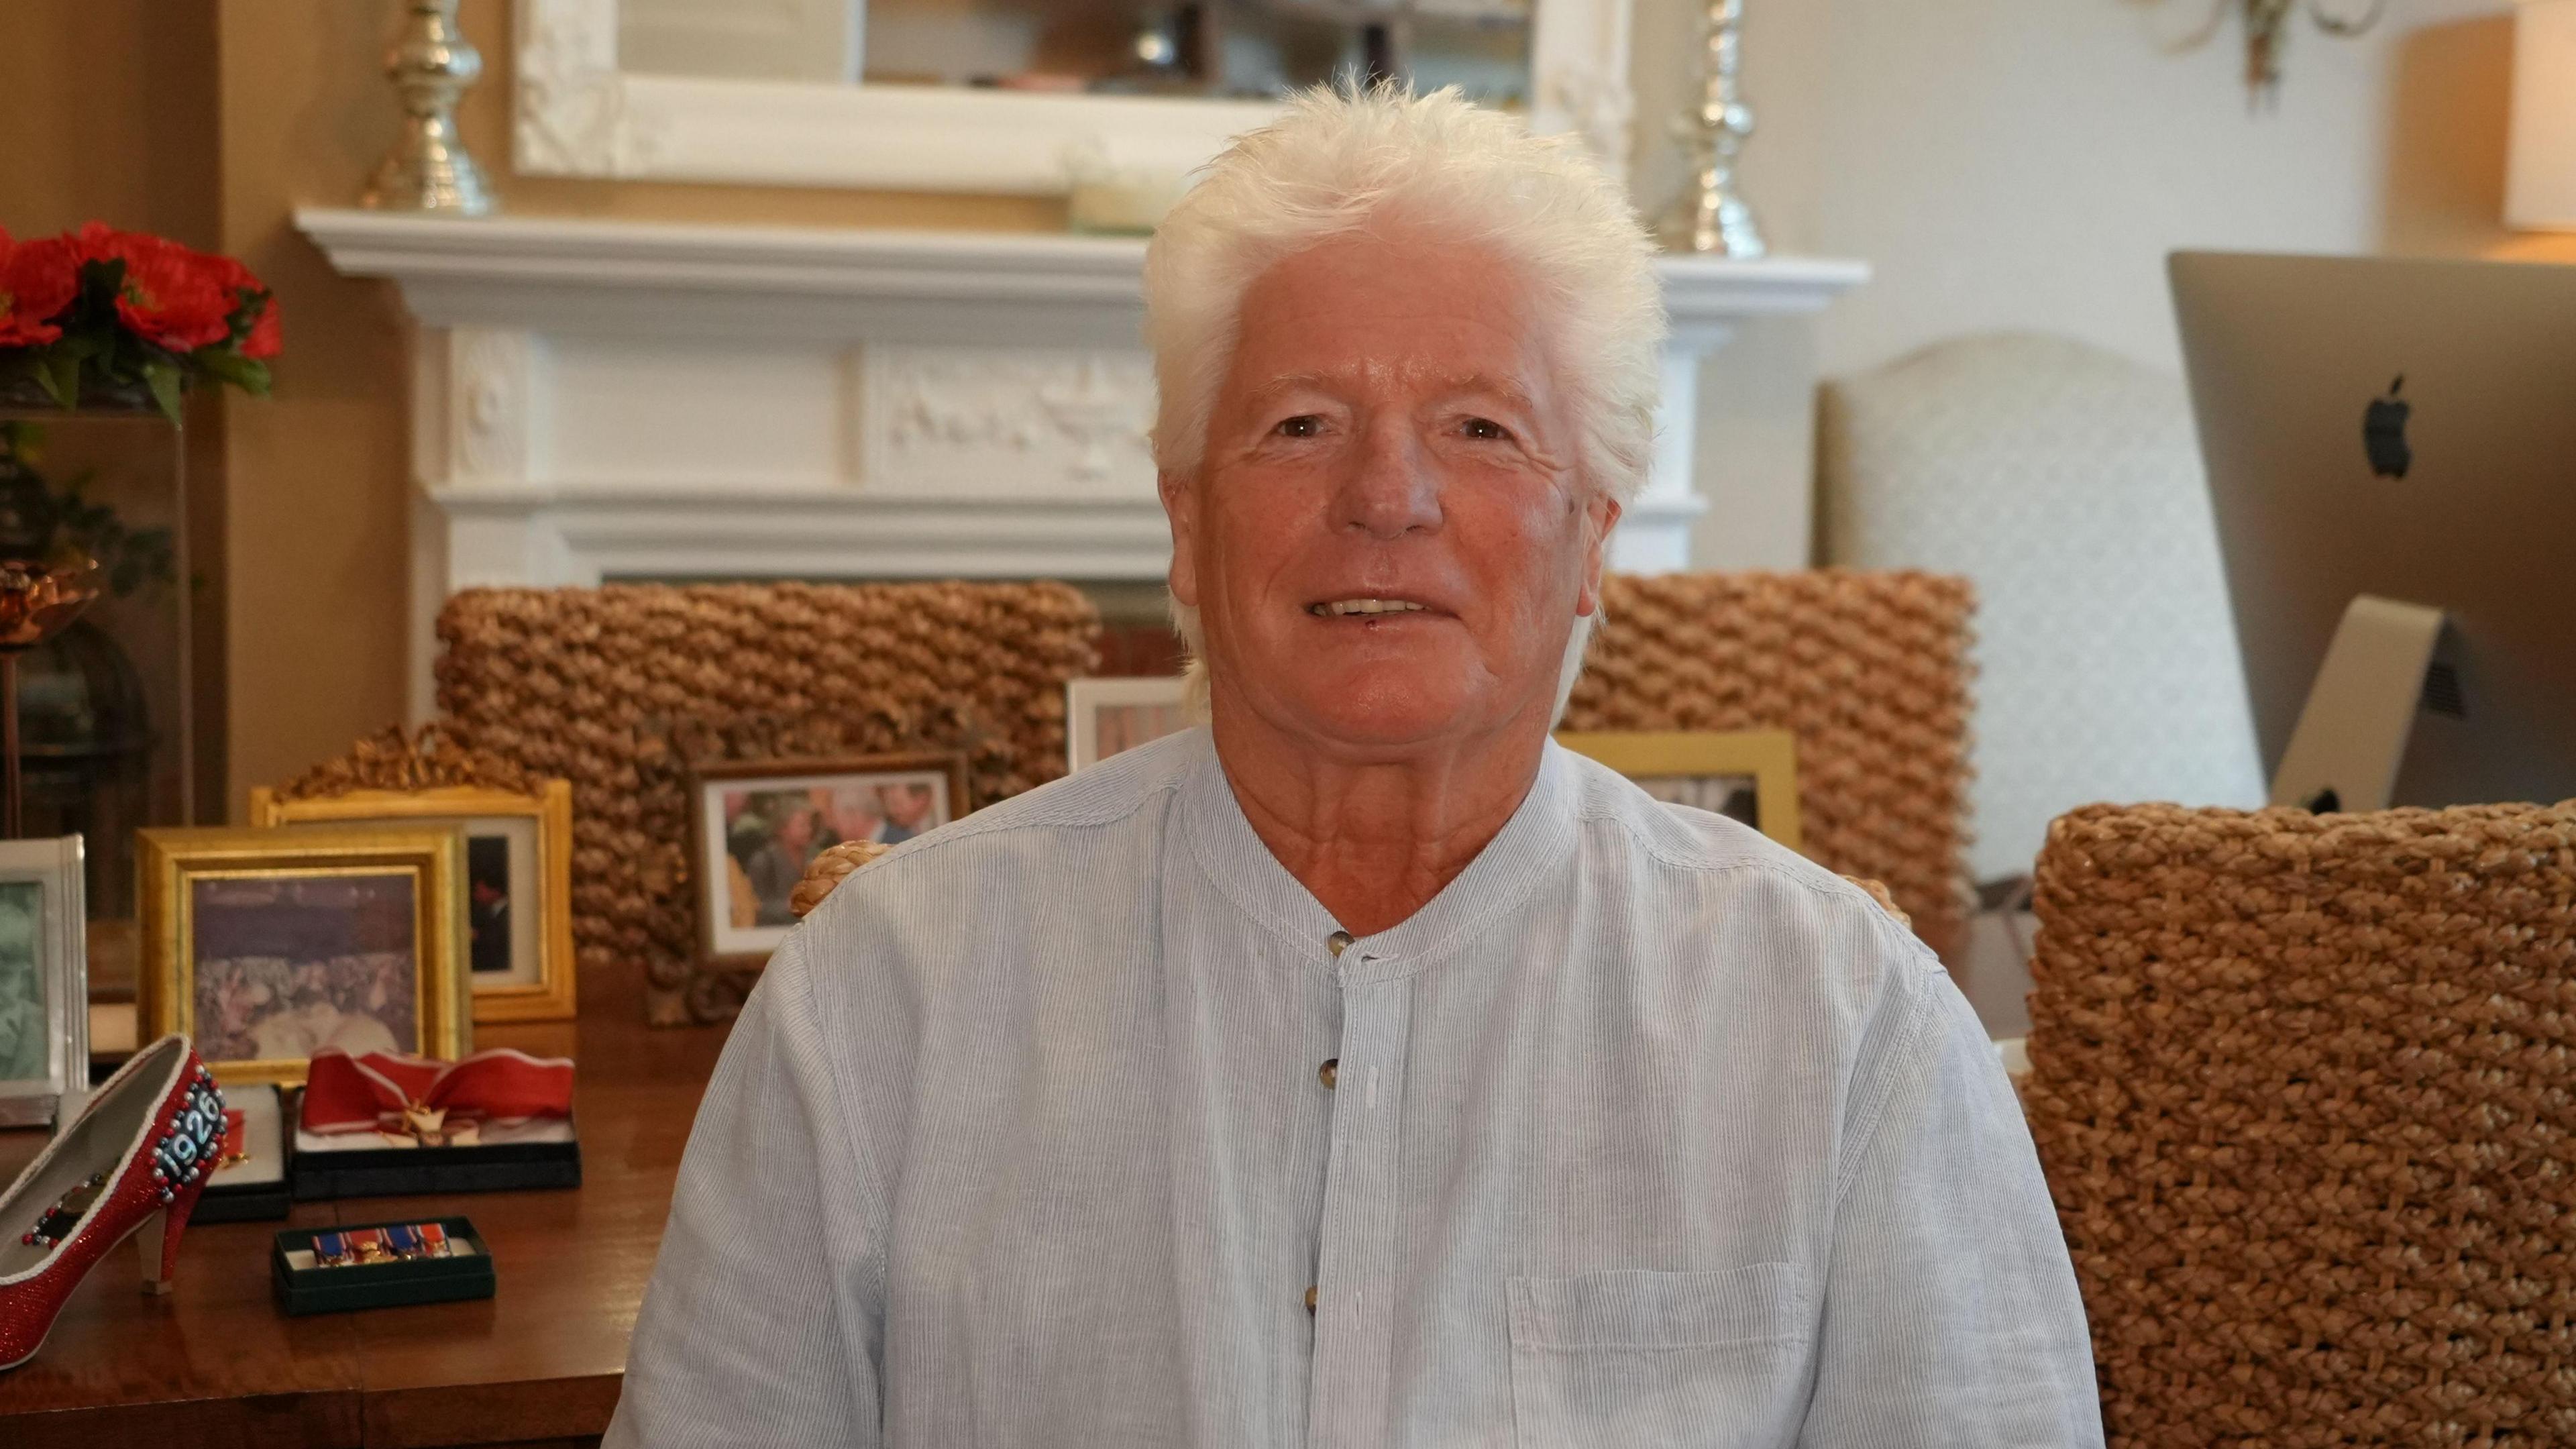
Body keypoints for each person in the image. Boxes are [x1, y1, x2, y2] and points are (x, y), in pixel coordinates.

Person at [608, 86, 2102, 1447]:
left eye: (1478, 427)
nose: (1387, 495)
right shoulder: (885, 998)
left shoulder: (1847, 1029)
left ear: (1591, 535)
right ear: (1187, 527)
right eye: (1302, 424)